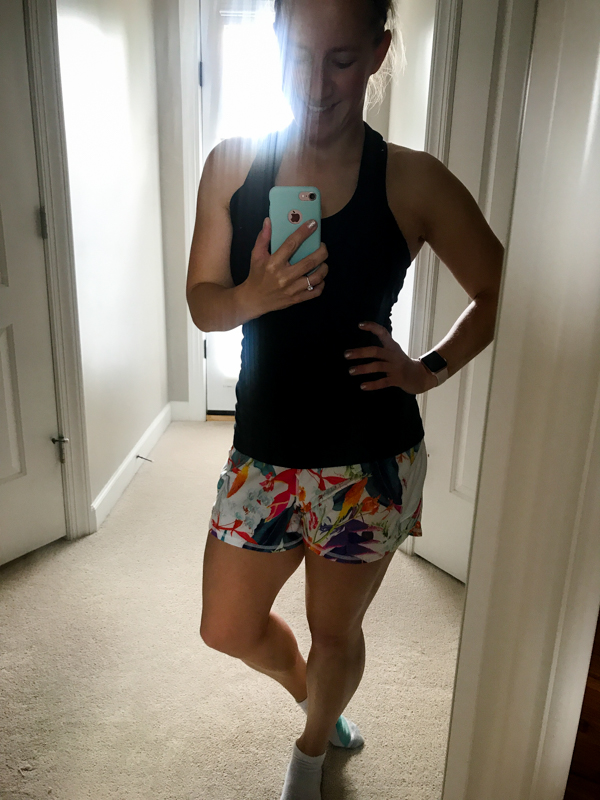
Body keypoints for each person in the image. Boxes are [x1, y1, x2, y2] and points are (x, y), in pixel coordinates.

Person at [186, 0, 503, 797]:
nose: (317, 84)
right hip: (264, 453)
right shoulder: (233, 164)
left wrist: (427, 368)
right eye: (299, 55)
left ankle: (312, 746)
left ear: (378, 52)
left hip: (369, 460)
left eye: (341, 60)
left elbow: (500, 287)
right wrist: (252, 295)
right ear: (274, 44)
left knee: (336, 633)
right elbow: (203, 303)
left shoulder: (413, 178)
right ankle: (311, 696)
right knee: (225, 627)